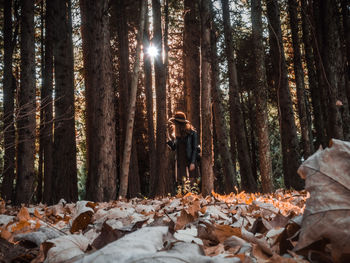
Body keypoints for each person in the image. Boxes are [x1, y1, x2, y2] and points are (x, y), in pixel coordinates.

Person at [167, 111, 200, 193]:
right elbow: (174, 147)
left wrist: (192, 162)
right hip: (180, 160)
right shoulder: (178, 135)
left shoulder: (192, 133)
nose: (174, 125)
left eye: (176, 123)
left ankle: (193, 197)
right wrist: (168, 138)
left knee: (192, 181)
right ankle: (184, 197)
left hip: (190, 158)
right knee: (182, 181)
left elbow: (195, 148)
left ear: (180, 124)